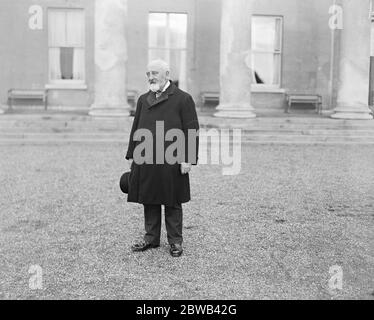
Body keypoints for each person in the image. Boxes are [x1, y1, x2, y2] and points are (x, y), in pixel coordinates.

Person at [125, 59, 199, 257]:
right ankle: (151, 238)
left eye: (155, 73)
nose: (150, 77)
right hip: (147, 157)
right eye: (148, 74)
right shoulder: (143, 99)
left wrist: (188, 159)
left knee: (173, 200)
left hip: (172, 159)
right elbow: (137, 128)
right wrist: (133, 155)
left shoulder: (183, 99)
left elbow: (191, 129)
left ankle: (175, 241)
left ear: (167, 74)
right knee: (149, 198)